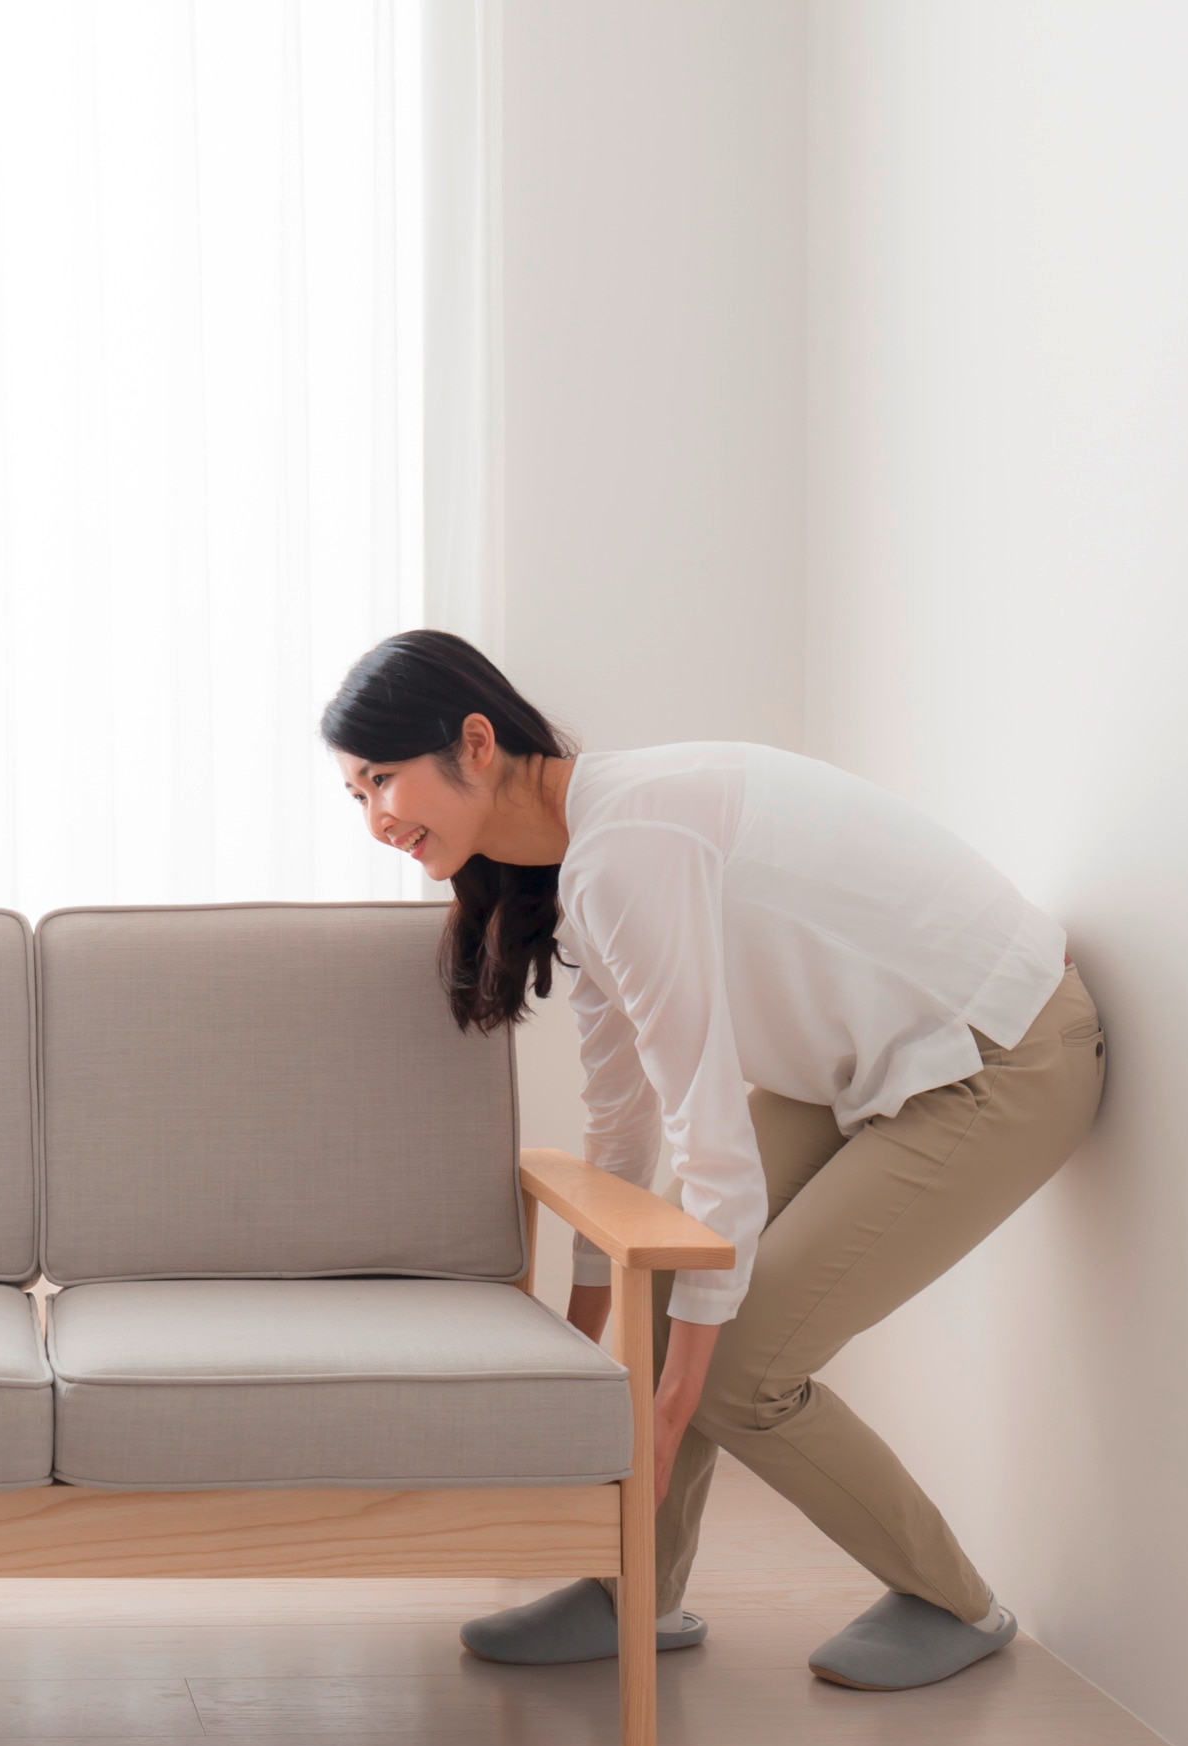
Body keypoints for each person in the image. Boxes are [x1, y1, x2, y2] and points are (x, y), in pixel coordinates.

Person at [322, 632, 1101, 1691]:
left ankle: (952, 1599)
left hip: (995, 1053)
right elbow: (624, 1114)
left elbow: (706, 1129)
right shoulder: (578, 855)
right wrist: (592, 1324)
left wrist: (681, 1389)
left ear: (474, 740)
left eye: (384, 778)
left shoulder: (628, 847)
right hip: (855, 1068)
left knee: (737, 1366)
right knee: (668, 1287)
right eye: (355, 791)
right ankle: (634, 1590)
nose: (375, 818)